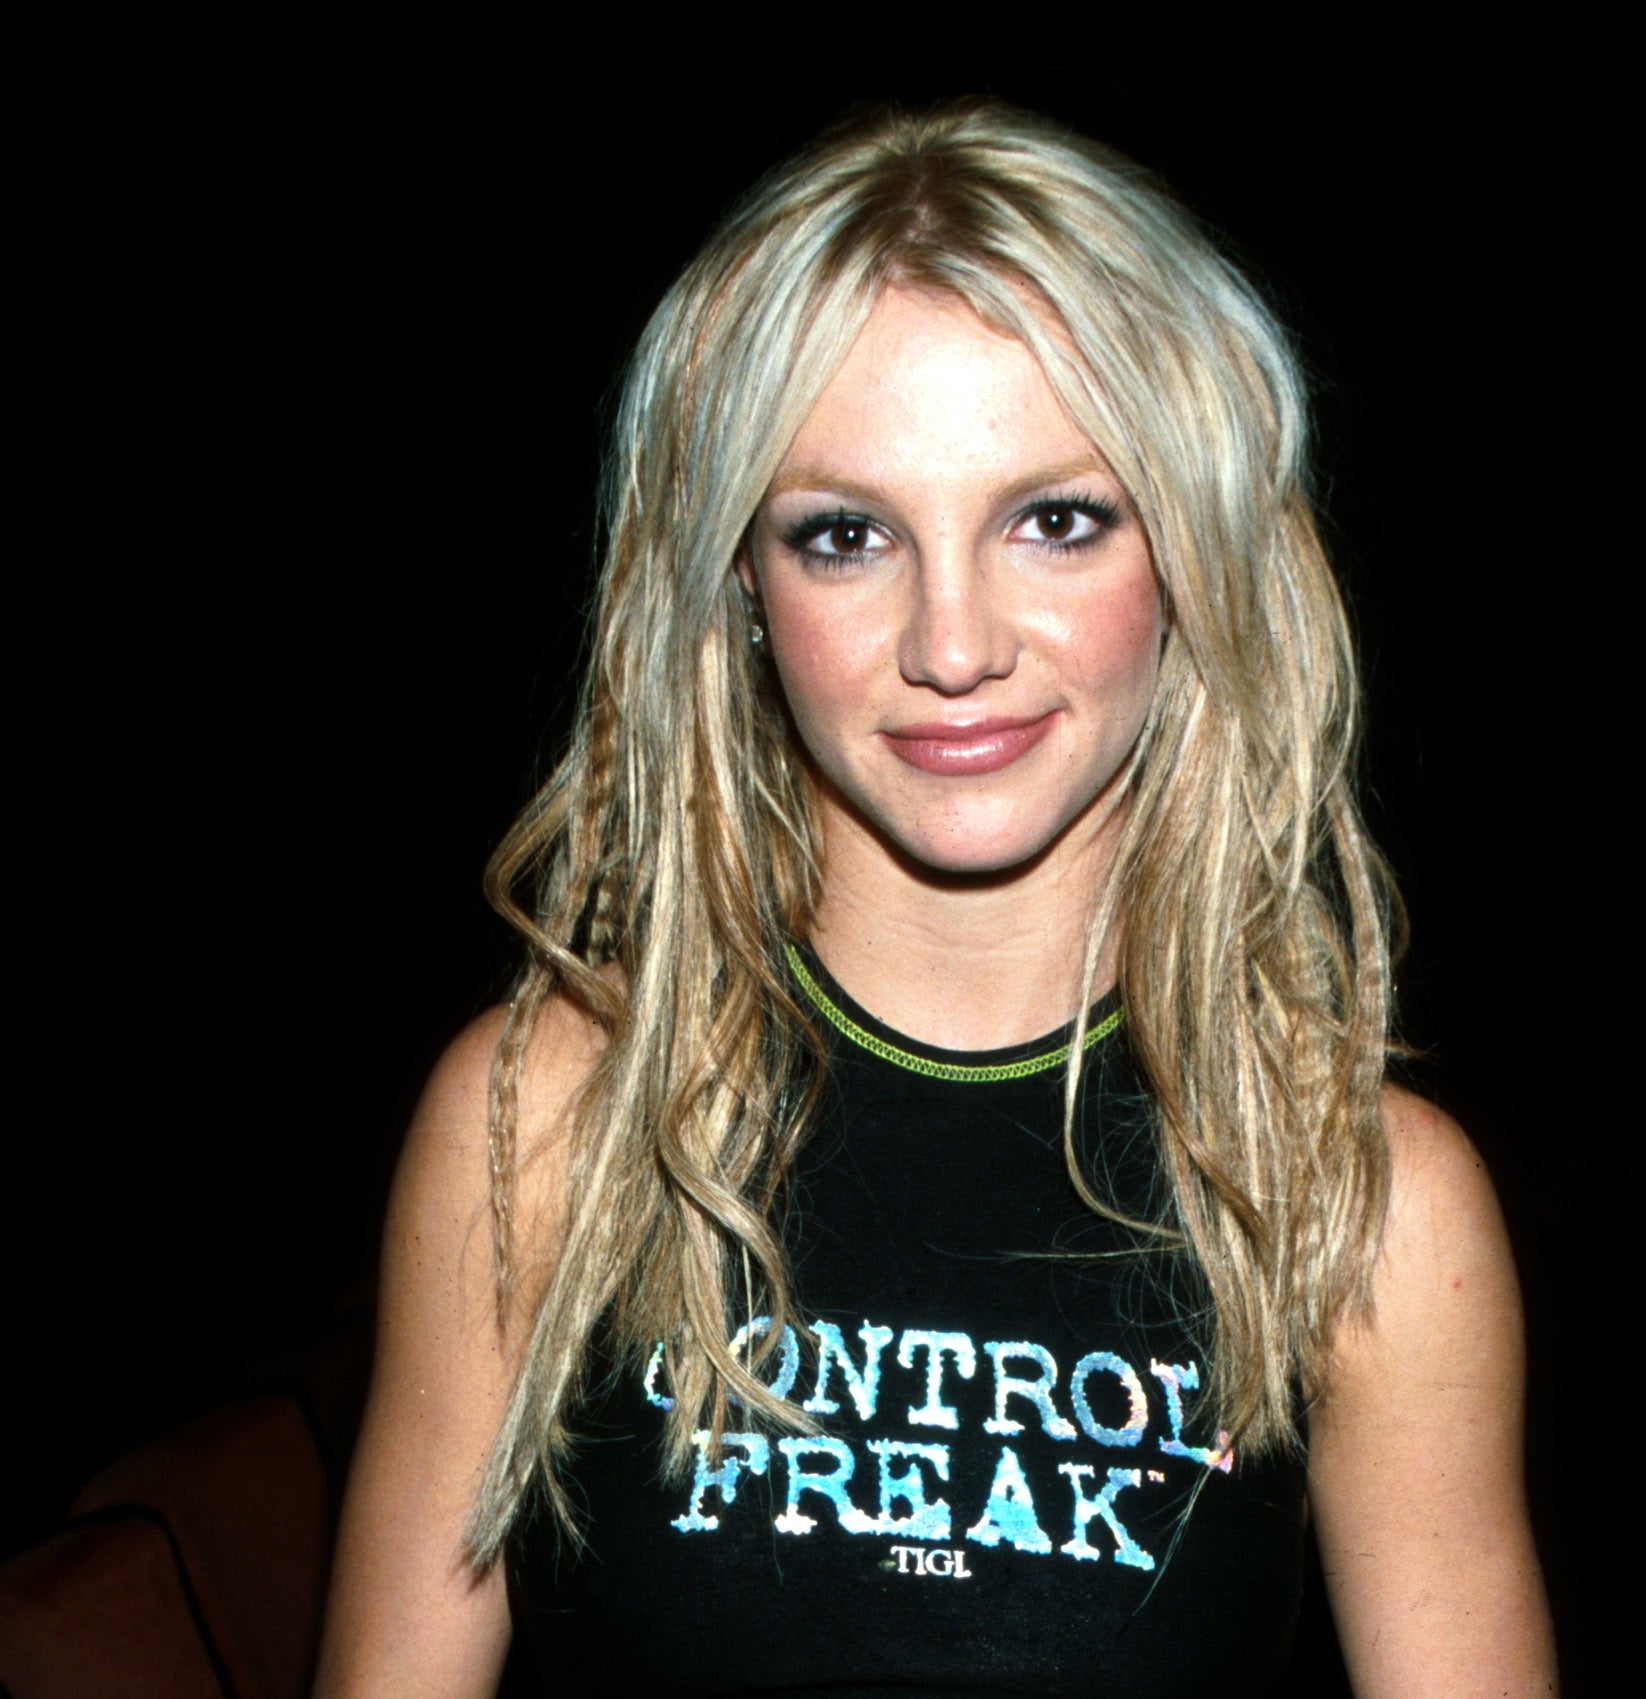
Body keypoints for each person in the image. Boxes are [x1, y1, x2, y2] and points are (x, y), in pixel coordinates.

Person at [316, 99, 1557, 1697]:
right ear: (741, 582)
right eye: (845, 535)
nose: (953, 644)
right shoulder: (550, 1115)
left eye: (1058, 520)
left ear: (1193, 553)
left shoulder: (1360, 1198)